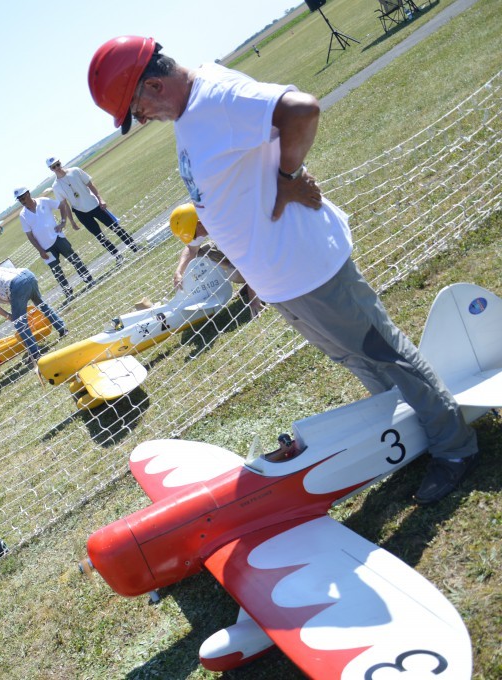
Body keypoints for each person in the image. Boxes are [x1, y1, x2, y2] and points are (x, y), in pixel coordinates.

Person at [87, 36, 478, 504]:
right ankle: (417, 434)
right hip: (283, 279)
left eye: (138, 111)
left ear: (153, 85)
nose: (143, 120)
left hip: (309, 267)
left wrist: (288, 178)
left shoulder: (217, 97)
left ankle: (454, 448)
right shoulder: (193, 114)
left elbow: (301, 109)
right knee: (357, 358)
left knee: (384, 351)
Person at [169, 202, 263, 318]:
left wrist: (253, 299)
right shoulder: (205, 219)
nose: (195, 238)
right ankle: (248, 282)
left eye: (193, 235)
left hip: (261, 253)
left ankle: (257, 283)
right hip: (245, 253)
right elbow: (191, 249)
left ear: (199, 224)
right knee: (201, 255)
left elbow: (249, 261)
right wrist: (179, 271)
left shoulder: (225, 229)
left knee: (234, 273)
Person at [0, 258, 67, 362]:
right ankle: (62, 329)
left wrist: (9, 316)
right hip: (28, 274)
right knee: (42, 305)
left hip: (17, 284)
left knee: (19, 322)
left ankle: (34, 353)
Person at [47, 156, 140, 265]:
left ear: (60, 163)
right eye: (54, 167)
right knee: (100, 236)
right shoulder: (56, 186)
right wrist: (71, 221)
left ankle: (134, 247)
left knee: (115, 227)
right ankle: (118, 256)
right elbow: (65, 205)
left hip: (95, 205)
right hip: (81, 213)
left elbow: (90, 184)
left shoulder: (75, 171)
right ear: (51, 169)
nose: (57, 168)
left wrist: (101, 199)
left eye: (58, 164)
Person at [15, 186, 94, 302]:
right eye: (19, 199)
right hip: (45, 248)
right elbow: (30, 236)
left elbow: (62, 205)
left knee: (74, 259)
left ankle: (89, 279)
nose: (22, 201)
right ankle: (68, 293)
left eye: (23, 197)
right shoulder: (23, 215)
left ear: (28, 194)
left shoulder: (44, 201)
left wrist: (63, 222)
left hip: (58, 238)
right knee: (57, 271)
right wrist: (40, 250)